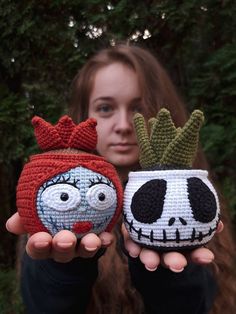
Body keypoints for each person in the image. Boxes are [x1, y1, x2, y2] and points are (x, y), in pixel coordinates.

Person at [6, 43, 236, 314]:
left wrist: (171, 277)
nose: (125, 125)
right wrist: (61, 268)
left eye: (139, 107)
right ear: (84, 117)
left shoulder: (196, 200)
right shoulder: (47, 204)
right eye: (105, 108)